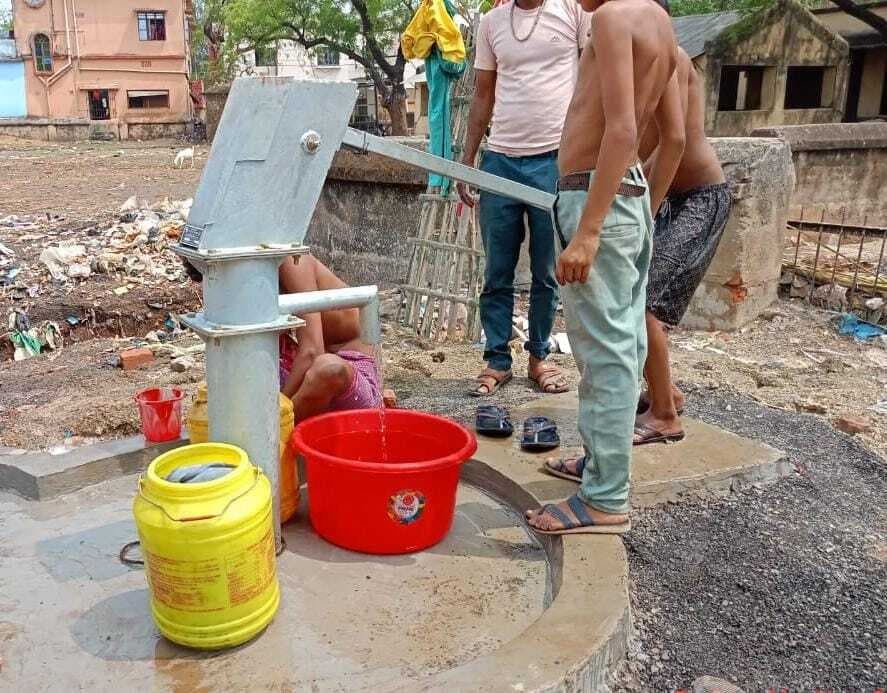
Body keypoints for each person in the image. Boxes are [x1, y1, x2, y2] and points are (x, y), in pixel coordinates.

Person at [525, 0, 686, 534]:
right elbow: (673, 136)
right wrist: (640, 211)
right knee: (623, 343)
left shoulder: (613, 18)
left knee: (606, 352)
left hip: (597, 194)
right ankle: (600, 468)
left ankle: (605, 498)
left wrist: (592, 228)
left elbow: (619, 130)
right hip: (628, 194)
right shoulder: (660, 22)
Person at [457, 0, 592, 397]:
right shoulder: (492, 23)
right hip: (500, 159)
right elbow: (483, 93)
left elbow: (591, 80)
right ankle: (497, 359)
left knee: (547, 270)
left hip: (555, 158)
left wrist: (585, 152)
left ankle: (539, 357)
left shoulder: (572, 11)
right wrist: (469, 160)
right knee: (496, 270)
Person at [633, 46, 732, 445]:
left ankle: (665, 416)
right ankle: (666, 391)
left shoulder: (669, 56)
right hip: (668, 198)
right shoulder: (638, 58)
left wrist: (640, 208)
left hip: (699, 198)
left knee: (645, 308)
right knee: (632, 298)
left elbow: (667, 143)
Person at [184, 256, 382, 423]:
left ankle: (276, 437)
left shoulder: (293, 260)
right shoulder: (257, 271)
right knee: (251, 352)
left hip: (350, 377)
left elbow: (313, 352)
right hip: (312, 387)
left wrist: (279, 412)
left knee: (327, 369)